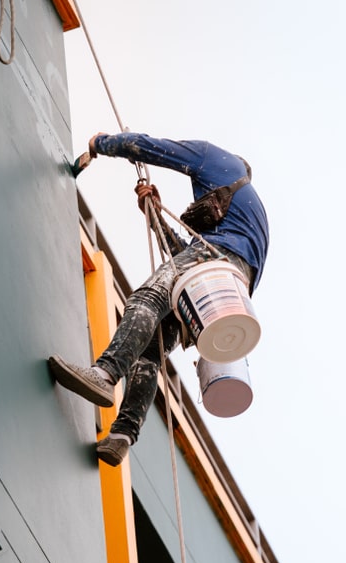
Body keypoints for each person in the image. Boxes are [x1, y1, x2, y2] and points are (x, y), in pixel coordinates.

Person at [49, 131, 269, 466]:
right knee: (151, 348)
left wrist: (102, 144)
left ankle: (105, 375)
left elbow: (152, 148)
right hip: (224, 289)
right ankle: (123, 435)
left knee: (146, 298)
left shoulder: (216, 159)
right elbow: (188, 258)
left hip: (215, 267)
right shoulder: (245, 218)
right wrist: (152, 215)